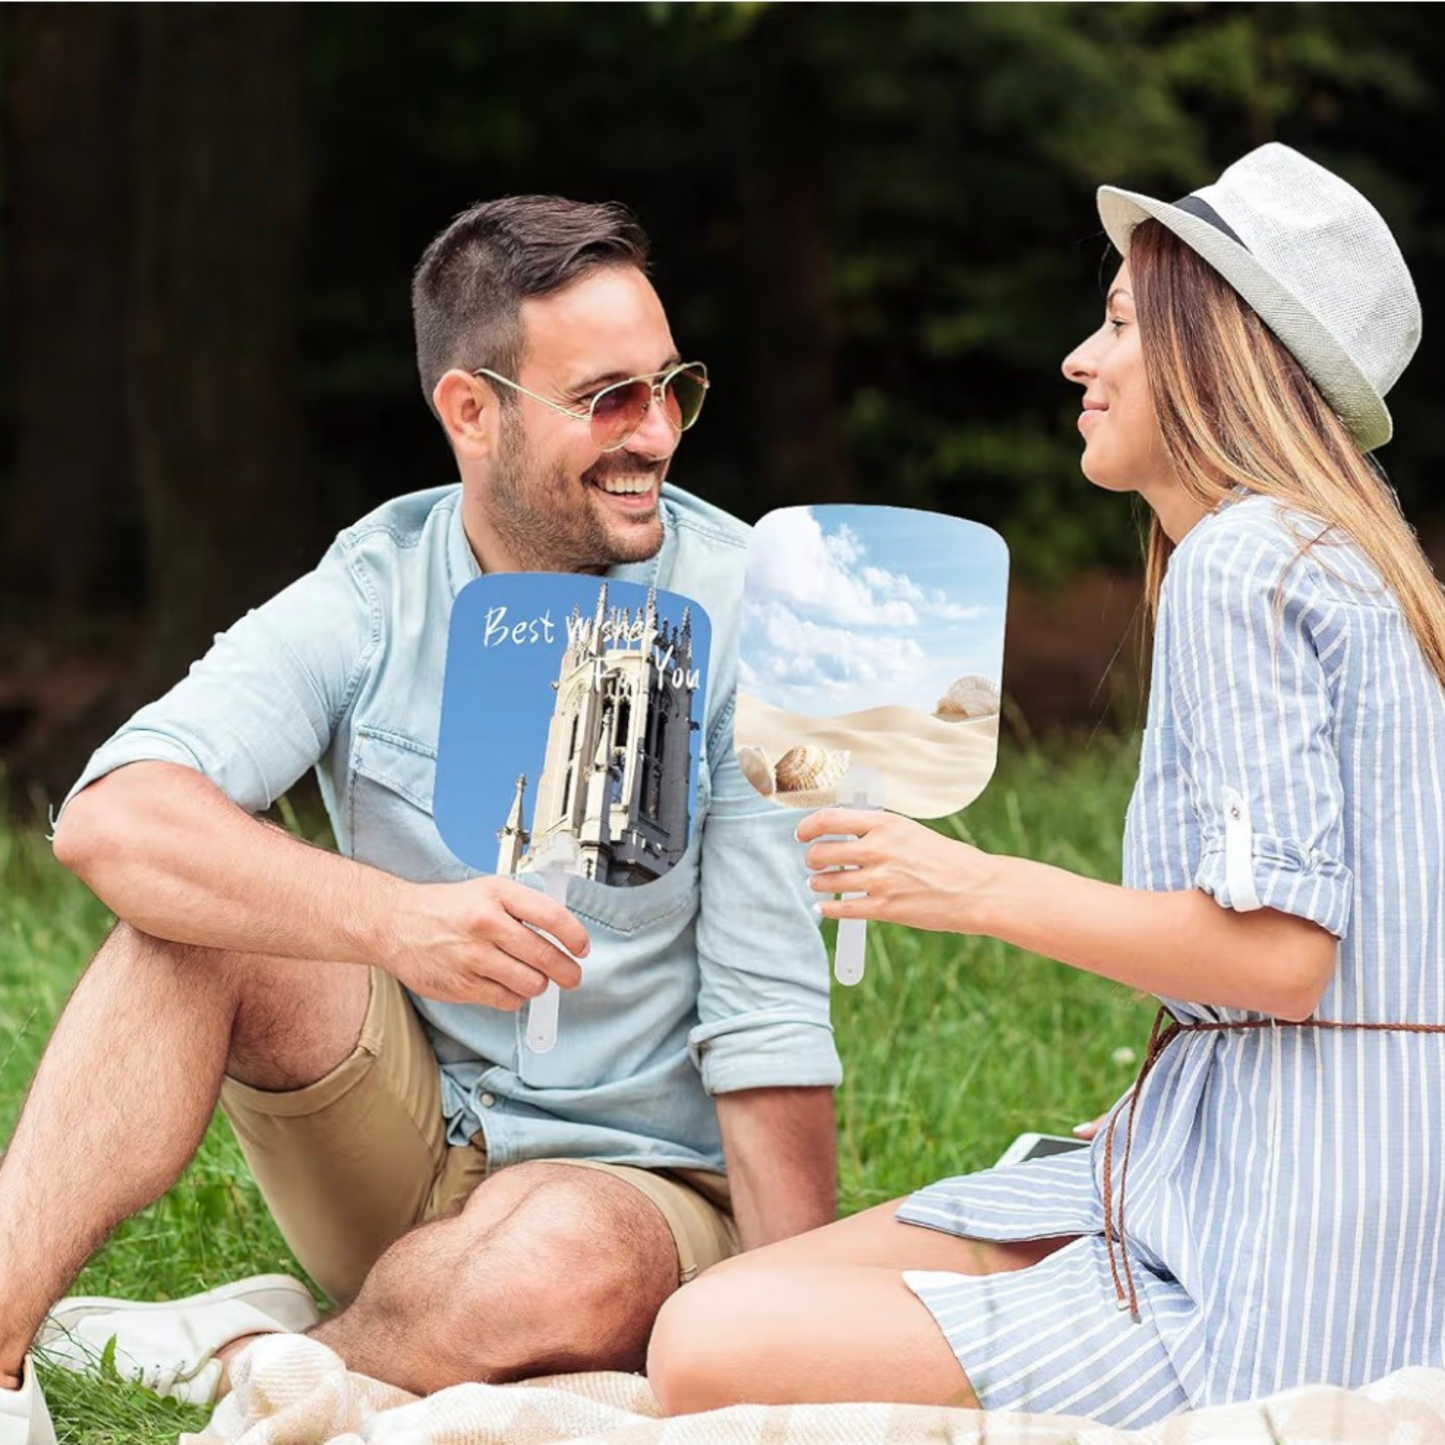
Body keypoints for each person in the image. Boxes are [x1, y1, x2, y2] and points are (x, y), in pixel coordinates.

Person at [0, 196, 840, 1444]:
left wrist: (796, 1331)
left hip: (629, 1186)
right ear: (469, 410)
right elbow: (112, 820)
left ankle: (260, 1357)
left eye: (673, 386)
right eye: (607, 397)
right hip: (407, 1134)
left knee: (556, 1261)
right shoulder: (376, 583)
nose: (656, 431)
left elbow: (767, 1018)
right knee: (192, 914)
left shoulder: (742, 612)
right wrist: (395, 922)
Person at [647, 144, 1445, 1427]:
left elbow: (1285, 955)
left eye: (1122, 321)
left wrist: (968, 883)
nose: (1080, 356)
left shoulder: (1242, 564)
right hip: (1296, 1191)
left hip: (1282, 1268)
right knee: (748, 1299)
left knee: (700, 1343)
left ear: (1213, 351)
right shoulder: (1348, 558)